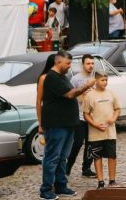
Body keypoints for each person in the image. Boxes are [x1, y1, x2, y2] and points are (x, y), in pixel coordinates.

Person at [39, 51, 96, 200]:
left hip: (68, 123)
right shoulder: (51, 77)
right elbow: (70, 94)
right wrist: (86, 85)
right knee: (52, 157)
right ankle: (46, 189)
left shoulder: (62, 76)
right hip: (56, 124)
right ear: (58, 62)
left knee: (63, 157)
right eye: (67, 64)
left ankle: (61, 185)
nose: (69, 66)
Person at [83, 72, 120, 189]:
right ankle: (100, 182)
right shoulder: (89, 96)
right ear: (96, 80)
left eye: (106, 80)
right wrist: (95, 124)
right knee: (97, 157)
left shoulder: (111, 94)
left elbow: (117, 109)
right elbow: (86, 114)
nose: (105, 82)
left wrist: (113, 119)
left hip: (110, 133)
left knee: (112, 156)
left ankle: (112, 180)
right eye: (102, 80)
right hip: (95, 133)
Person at [66, 55, 96, 178]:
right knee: (78, 142)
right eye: (88, 63)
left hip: (93, 117)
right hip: (79, 116)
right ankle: (67, 168)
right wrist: (83, 94)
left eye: (92, 63)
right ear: (83, 65)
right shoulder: (76, 79)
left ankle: (86, 168)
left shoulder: (96, 78)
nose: (91, 66)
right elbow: (71, 96)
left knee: (91, 143)